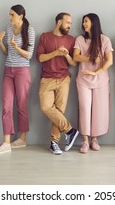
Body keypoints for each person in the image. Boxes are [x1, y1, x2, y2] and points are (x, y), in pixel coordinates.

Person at [0, 5, 35, 155]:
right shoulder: (8, 29)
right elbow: (6, 52)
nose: (9, 17)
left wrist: (16, 47)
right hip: (8, 71)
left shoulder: (29, 30)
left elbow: (29, 55)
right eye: (9, 14)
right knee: (6, 106)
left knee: (21, 105)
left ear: (20, 16)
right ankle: (6, 142)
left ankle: (22, 138)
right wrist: (0, 41)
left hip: (22, 71)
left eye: (12, 15)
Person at [36, 12, 79, 155]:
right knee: (46, 107)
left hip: (64, 78)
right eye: (68, 23)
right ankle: (70, 130)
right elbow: (40, 58)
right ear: (59, 22)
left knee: (59, 111)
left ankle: (54, 143)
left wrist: (65, 54)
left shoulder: (71, 40)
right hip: (46, 78)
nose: (70, 26)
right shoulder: (45, 37)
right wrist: (55, 53)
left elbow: (73, 63)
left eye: (71, 24)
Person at [73, 13, 113, 154]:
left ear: (94, 23)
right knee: (84, 108)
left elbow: (110, 60)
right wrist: (90, 58)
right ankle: (84, 140)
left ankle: (94, 139)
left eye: (86, 21)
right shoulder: (80, 39)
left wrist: (96, 72)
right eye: (83, 22)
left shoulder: (105, 40)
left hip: (101, 80)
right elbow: (75, 56)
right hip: (83, 80)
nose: (84, 24)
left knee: (99, 110)